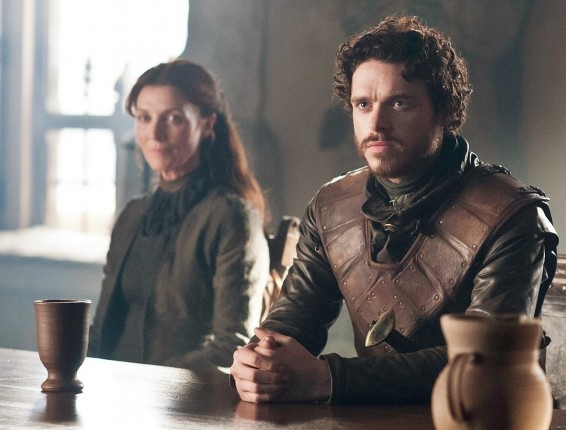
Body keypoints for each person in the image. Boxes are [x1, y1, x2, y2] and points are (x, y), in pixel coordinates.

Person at [230, 15, 559, 404]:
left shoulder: (512, 215)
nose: (377, 123)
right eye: (363, 104)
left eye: (400, 103)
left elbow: (483, 361)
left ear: (445, 110)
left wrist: (330, 379)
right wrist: (259, 362)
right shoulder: (330, 207)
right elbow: (292, 321)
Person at [88, 59, 270, 371]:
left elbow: (232, 344)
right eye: (144, 117)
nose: (154, 134)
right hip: (106, 386)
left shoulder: (230, 217)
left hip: (177, 395)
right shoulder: (133, 214)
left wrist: (150, 384)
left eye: (173, 118)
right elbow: (100, 330)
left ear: (207, 124)